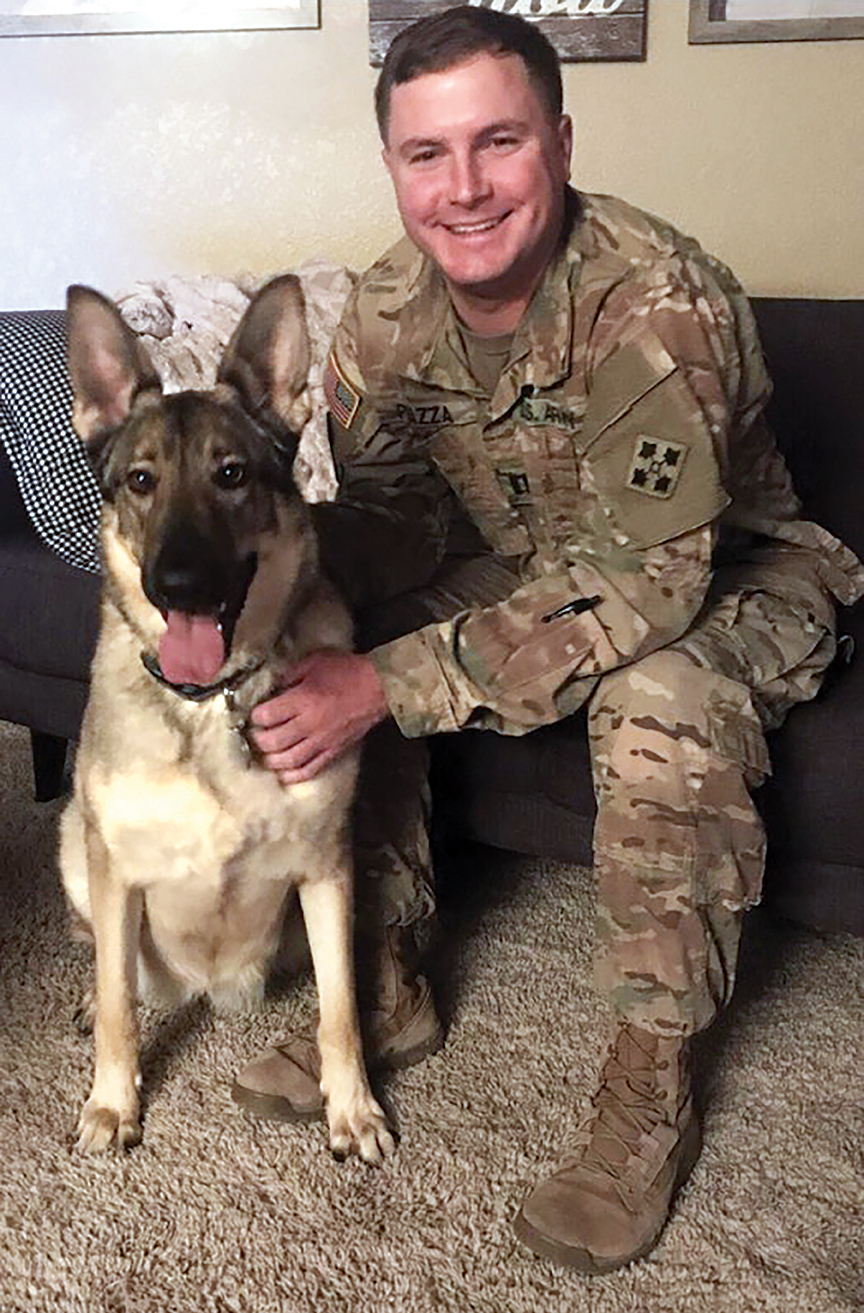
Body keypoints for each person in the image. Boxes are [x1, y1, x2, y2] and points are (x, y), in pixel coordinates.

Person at [230, 5, 864, 1273]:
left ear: (561, 144)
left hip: (726, 573)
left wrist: (387, 682)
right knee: (346, 634)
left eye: (499, 141)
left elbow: (648, 585)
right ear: (393, 164)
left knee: (658, 699)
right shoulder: (386, 312)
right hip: (530, 559)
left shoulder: (657, 298)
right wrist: (271, 591)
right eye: (427, 153)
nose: (463, 188)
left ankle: (649, 1091)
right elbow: (395, 521)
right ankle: (388, 976)